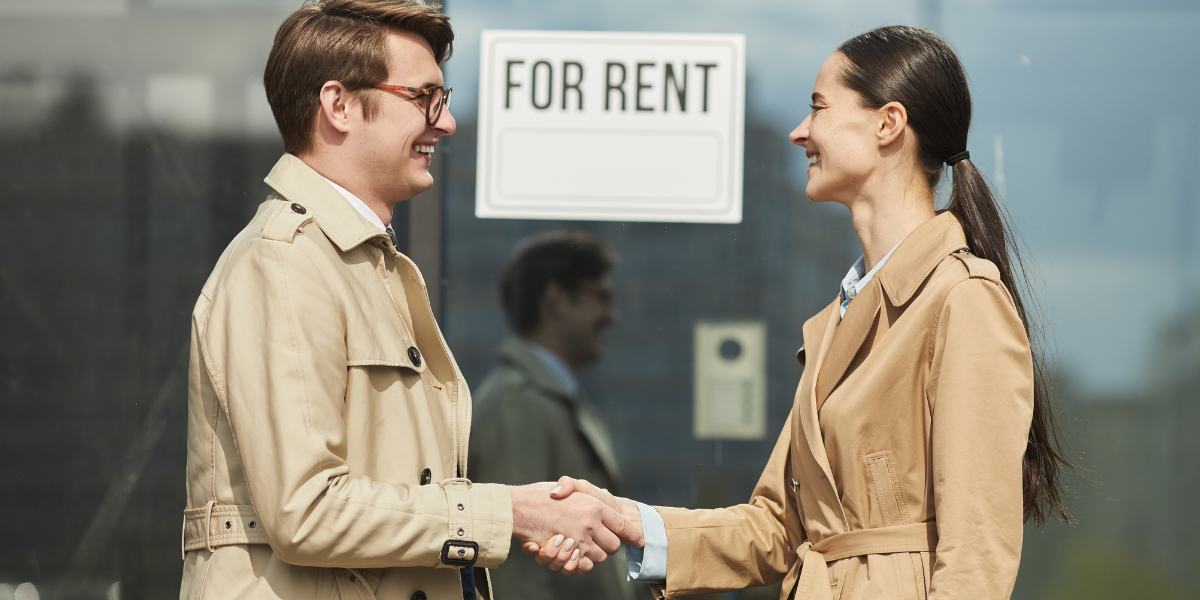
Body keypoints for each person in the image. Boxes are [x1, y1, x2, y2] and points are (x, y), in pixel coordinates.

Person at [532, 25, 1072, 600]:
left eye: (818, 107)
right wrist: (631, 522)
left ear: (888, 123)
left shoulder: (963, 300)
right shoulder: (841, 316)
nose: (800, 132)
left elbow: (976, 564)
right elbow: (777, 528)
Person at [177, 2, 642, 600]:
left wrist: (519, 519)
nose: (445, 123)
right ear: (338, 105)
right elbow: (307, 510)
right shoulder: (285, 262)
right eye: (424, 97)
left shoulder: (356, 262)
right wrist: (512, 513)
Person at [470, 230, 643, 600]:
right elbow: (515, 573)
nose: (612, 316)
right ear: (555, 300)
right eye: (600, 297)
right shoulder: (517, 404)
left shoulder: (546, 397)